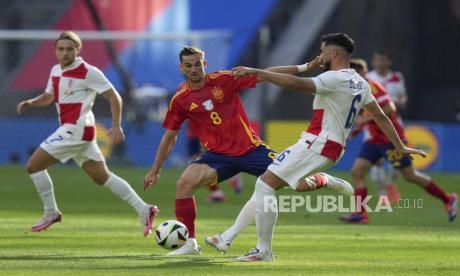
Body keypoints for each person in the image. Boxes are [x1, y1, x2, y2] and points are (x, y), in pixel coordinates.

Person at [227, 33, 427, 262]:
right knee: (277, 185)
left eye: (323, 51)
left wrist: (256, 71)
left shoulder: (334, 78)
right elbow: (381, 116)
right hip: (331, 147)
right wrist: (400, 145)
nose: (320, 55)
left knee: (264, 185)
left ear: (333, 53)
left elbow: (294, 83)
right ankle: (257, 243)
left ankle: (263, 251)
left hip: (318, 143)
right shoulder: (360, 82)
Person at [143, 46, 351, 256]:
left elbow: (267, 74)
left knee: (298, 184)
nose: (194, 69)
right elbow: (170, 136)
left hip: (251, 149)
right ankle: (190, 244)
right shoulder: (180, 100)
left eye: (198, 64)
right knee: (184, 184)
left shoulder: (225, 79)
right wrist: (155, 169)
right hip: (218, 155)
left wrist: (306, 66)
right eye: (188, 65)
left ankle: (324, 179)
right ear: (181, 67)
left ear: (204, 64)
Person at [16, 31, 158, 236]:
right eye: (61, 49)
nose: (65, 53)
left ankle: (51, 212)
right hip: (78, 131)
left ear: (77, 50)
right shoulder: (55, 70)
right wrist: (31, 102)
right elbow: (49, 96)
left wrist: (117, 126)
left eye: (69, 49)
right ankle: (144, 209)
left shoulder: (87, 71)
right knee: (102, 177)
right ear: (55, 51)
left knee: (33, 165)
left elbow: (114, 97)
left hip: (77, 129)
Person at [338, 59, 458, 224]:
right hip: (374, 140)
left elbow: (390, 108)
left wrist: (363, 122)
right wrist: (359, 128)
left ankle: (448, 199)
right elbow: (369, 114)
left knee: (409, 175)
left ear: (358, 72)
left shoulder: (372, 87)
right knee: (357, 171)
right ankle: (360, 214)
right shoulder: (357, 89)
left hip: (390, 140)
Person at [365, 51, 408, 203]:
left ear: (389, 62)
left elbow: (403, 96)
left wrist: (402, 101)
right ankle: (383, 193)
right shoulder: (368, 78)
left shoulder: (397, 77)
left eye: (384, 60)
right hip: (373, 125)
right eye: (378, 60)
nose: (381, 63)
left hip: (394, 123)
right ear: (373, 62)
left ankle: (390, 183)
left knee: (399, 160)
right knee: (375, 162)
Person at [186, 121, 244, 203]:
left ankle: (219, 190)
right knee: (200, 164)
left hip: (200, 132)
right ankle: (231, 176)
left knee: (199, 165)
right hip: (198, 132)